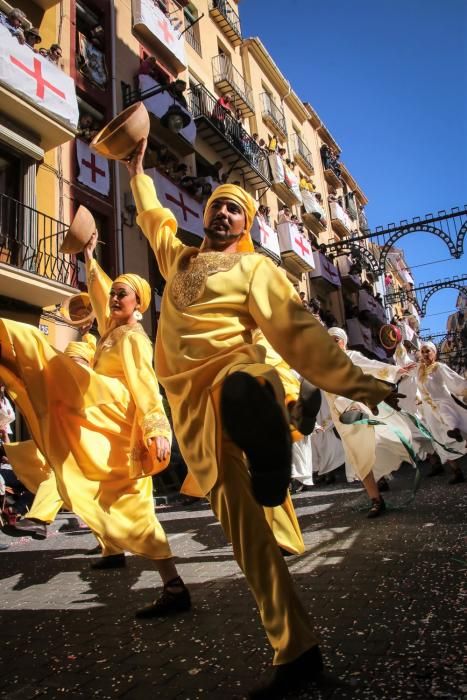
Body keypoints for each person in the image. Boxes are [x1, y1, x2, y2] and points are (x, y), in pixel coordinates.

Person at [123, 138, 400, 698]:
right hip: (193, 414)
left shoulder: (255, 268)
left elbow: (300, 332)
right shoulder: (178, 259)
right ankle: (295, 651)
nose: (224, 212)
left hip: (234, 376)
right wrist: (135, 170)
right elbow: (153, 218)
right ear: (203, 215)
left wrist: (359, 383)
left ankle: (272, 417)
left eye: (235, 208)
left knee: (249, 381)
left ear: (245, 224)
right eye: (217, 205)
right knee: (247, 538)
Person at [0, 247, 190, 614]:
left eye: (124, 294)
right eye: (114, 293)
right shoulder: (109, 335)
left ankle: (175, 588)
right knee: (87, 479)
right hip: (102, 424)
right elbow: (100, 295)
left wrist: (156, 426)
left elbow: (146, 385)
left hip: (120, 429)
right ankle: (113, 550)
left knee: (135, 510)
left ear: (138, 304)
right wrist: (89, 258)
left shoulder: (133, 338)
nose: (115, 298)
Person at [326, 327, 415, 518]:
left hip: (356, 403)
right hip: (339, 416)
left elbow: (371, 365)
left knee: (374, 441)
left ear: (344, 342)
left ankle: (358, 412)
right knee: (358, 456)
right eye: (329, 340)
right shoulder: (321, 364)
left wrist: (396, 369)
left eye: (336, 340)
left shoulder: (351, 356)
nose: (333, 344)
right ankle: (376, 499)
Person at [416, 341, 467, 484]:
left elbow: (456, 381)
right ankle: (457, 472)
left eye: (428, 351)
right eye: (423, 351)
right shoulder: (418, 371)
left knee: (456, 426)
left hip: (444, 404)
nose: (425, 354)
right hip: (429, 411)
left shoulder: (440, 367)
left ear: (435, 353)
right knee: (439, 440)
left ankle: (455, 430)